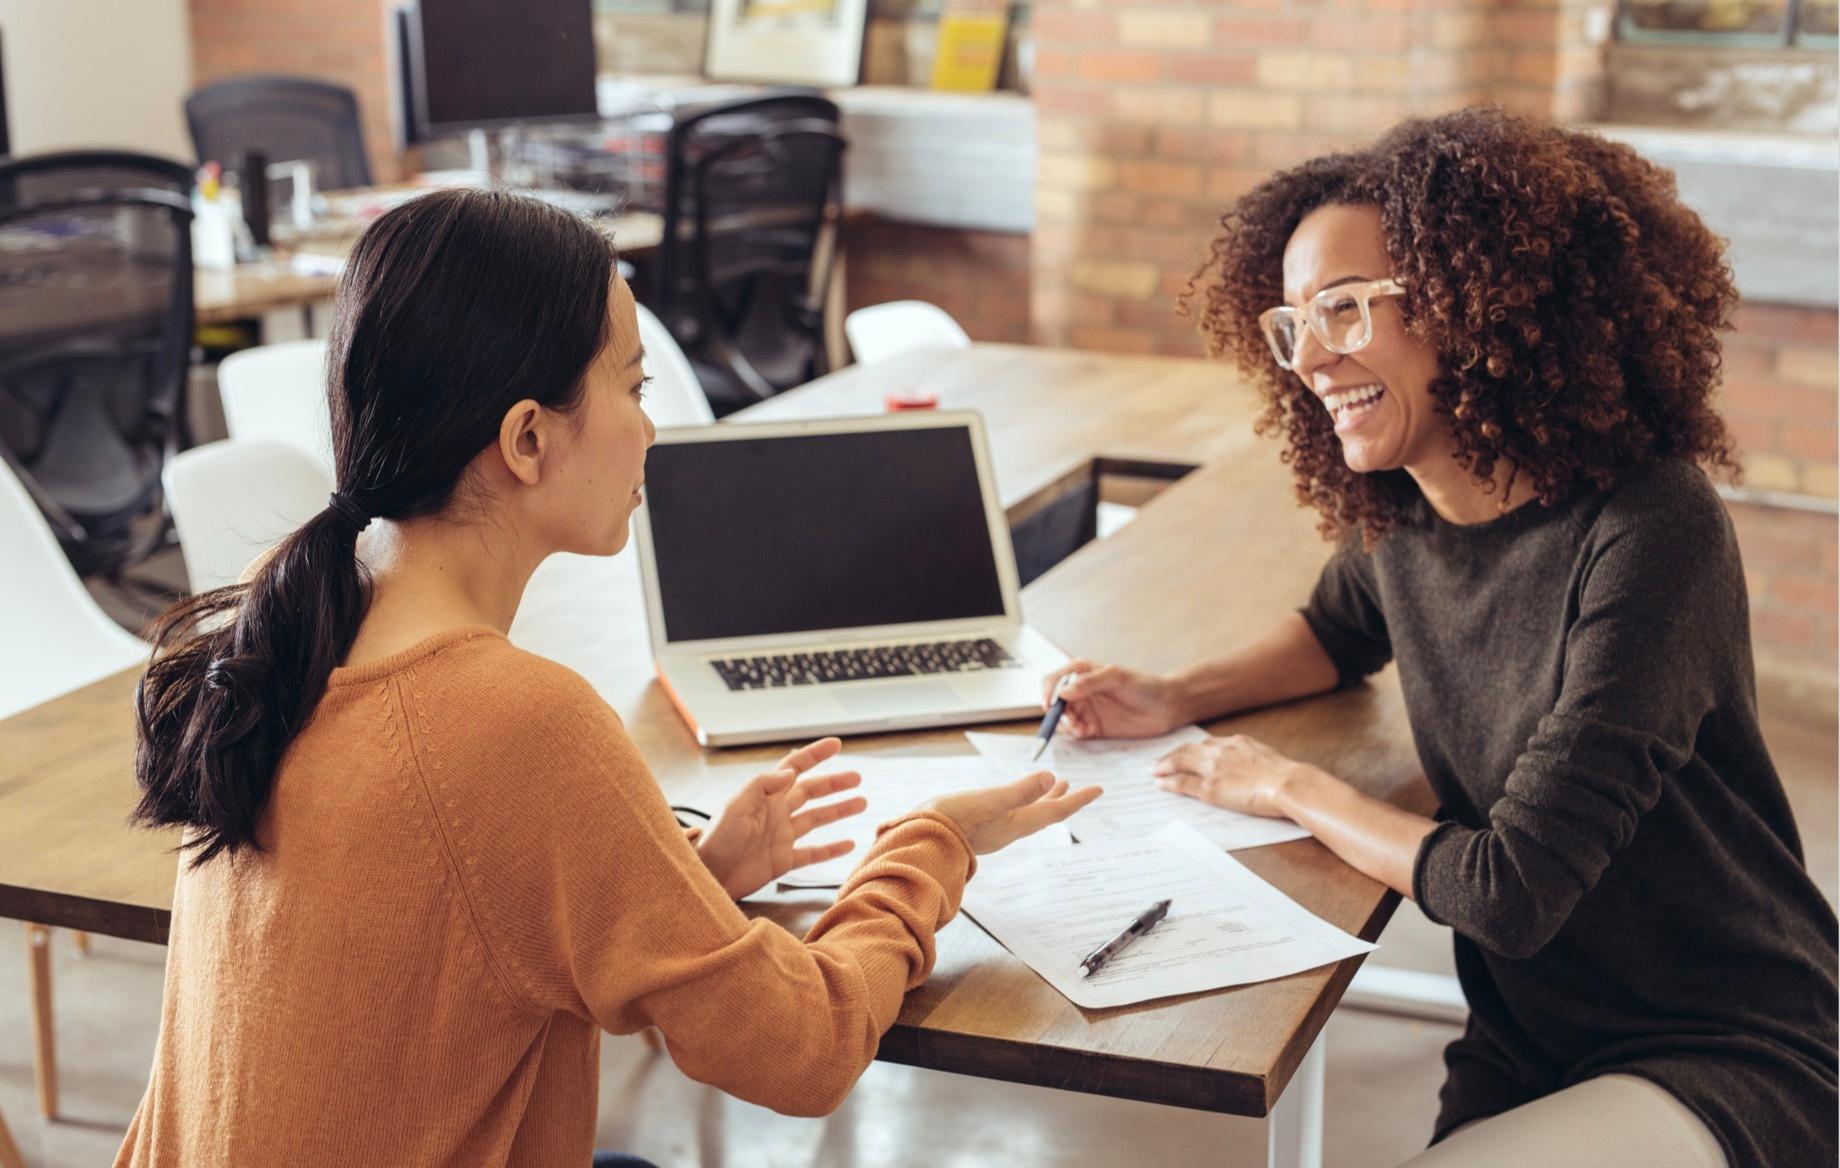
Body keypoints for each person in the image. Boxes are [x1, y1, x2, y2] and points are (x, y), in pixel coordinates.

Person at [119, 189, 1099, 1167]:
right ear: (527, 440)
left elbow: (454, 922)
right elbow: (803, 1050)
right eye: (634, 389)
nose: (651, 430)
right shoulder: (515, 720)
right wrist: (928, 848)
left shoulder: (296, 617)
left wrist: (689, 875)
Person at [1043, 108, 1836, 1168]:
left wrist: (1285, 786)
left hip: (1723, 1039)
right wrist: (1175, 694)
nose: (1310, 357)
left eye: (1343, 308)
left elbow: (1507, 891)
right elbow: (1336, 630)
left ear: (1475, 302)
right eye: (1292, 322)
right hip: (1530, 1032)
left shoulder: (1651, 529)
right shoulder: (1410, 511)